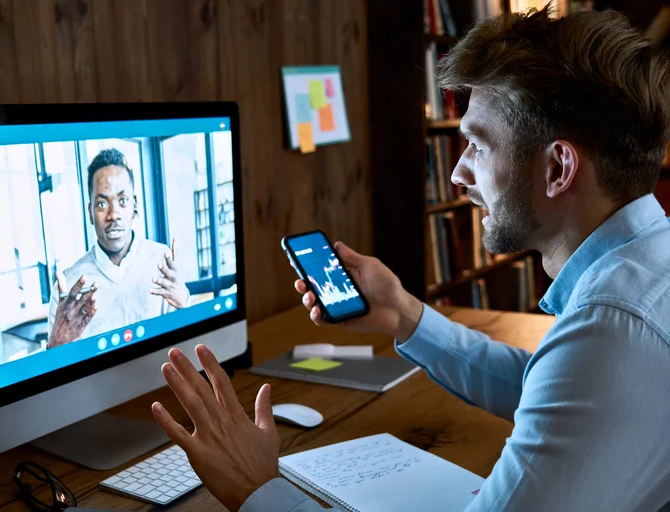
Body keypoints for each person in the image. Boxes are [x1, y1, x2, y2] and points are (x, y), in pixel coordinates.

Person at [148, 6, 670, 512]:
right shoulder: (646, 264)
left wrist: (255, 488)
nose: (458, 174)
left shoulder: (611, 328)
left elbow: (575, 377)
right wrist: (405, 314)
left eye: (478, 145)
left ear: (559, 169)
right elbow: (549, 387)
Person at [46, 148, 190, 348]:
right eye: (102, 204)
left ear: (135, 206)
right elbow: (56, 370)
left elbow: (188, 345)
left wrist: (185, 305)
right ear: (90, 213)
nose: (114, 214)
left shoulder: (162, 260)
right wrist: (55, 346)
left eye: (122, 201)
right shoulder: (68, 286)